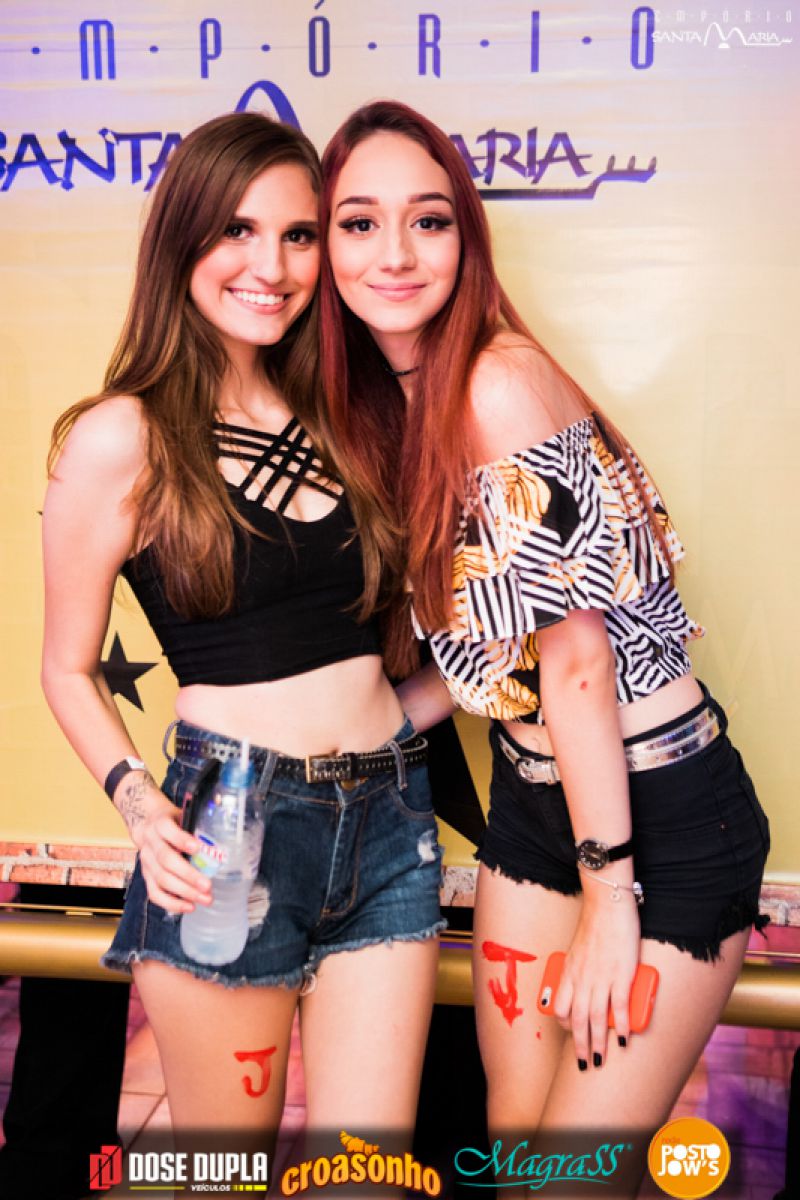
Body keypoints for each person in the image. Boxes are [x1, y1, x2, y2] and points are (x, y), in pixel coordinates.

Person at [319, 100, 770, 1182]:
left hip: (659, 818)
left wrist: (613, 900)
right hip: (534, 806)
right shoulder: (396, 403)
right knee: (519, 1152)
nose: (394, 253)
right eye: (358, 222)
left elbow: (575, 663)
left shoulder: (496, 382)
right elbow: (496, 650)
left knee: (569, 1178)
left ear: (466, 237)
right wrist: (355, 729)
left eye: (428, 221)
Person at [41, 111, 443, 1163]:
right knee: (223, 1174)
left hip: (390, 822)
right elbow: (67, 668)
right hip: (231, 829)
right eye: (237, 230)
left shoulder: (350, 417)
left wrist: (462, 688)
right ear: (181, 240)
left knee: (367, 1176)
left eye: (299, 235)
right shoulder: (121, 436)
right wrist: (140, 808)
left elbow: (410, 645)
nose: (272, 266)